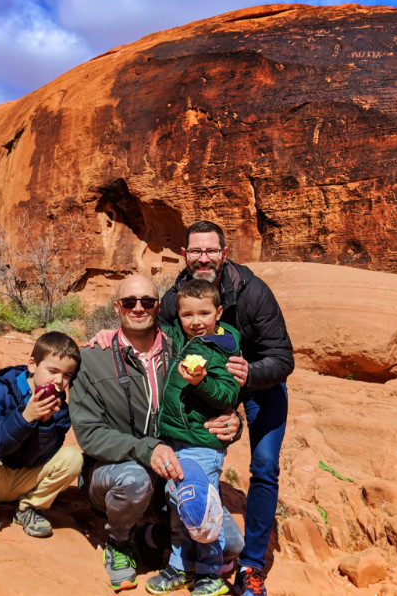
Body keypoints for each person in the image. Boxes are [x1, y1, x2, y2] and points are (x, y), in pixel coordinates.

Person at [70, 274, 244, 592]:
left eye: (147, 302)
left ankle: (150, 537)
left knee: (229, 543)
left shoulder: (179, 346)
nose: (138, 308)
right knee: (134, 479)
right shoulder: (94, 358)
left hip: (170, 468)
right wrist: (147, 450)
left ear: (158, 307)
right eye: (129, 302)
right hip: (115, 472)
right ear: (117, 307)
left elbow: (215, 393)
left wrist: (234, 423)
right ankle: (120, 544)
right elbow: (90, 434)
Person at [158, 221, 294, 596]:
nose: (204, 259)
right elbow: (158, 341)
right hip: (208, 387)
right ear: (184, 256)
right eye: (196, 252)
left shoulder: (253, 294)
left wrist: (248, 377)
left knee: (264, 466)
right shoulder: (176, 298)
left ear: (225, 254)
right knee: (187, 449)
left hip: (258, 381)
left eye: (211, 251)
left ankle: (251, 566)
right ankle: (186, 544)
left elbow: (282, 358)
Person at [146, 279, 241, 596]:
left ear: (219, 313)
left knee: (201, 507)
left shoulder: (221, 349)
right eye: (188, 314)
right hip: (177, 441)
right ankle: (182, 567)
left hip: (202, 443)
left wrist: (201, 383)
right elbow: (154, 328)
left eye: (204, 313)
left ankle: (211, 572)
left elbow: (228, 395)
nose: (196, 321)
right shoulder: (181, 338)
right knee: (180, 505)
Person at [0, 331, 83, 541]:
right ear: (32, 365)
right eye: (52, 370)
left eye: (67, 375)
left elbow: (40, 457)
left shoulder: (60, 410)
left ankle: (29, 508)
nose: (59, 380)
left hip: (26, 479)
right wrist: (24, 418)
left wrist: (45, 423)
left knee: (73, 458)